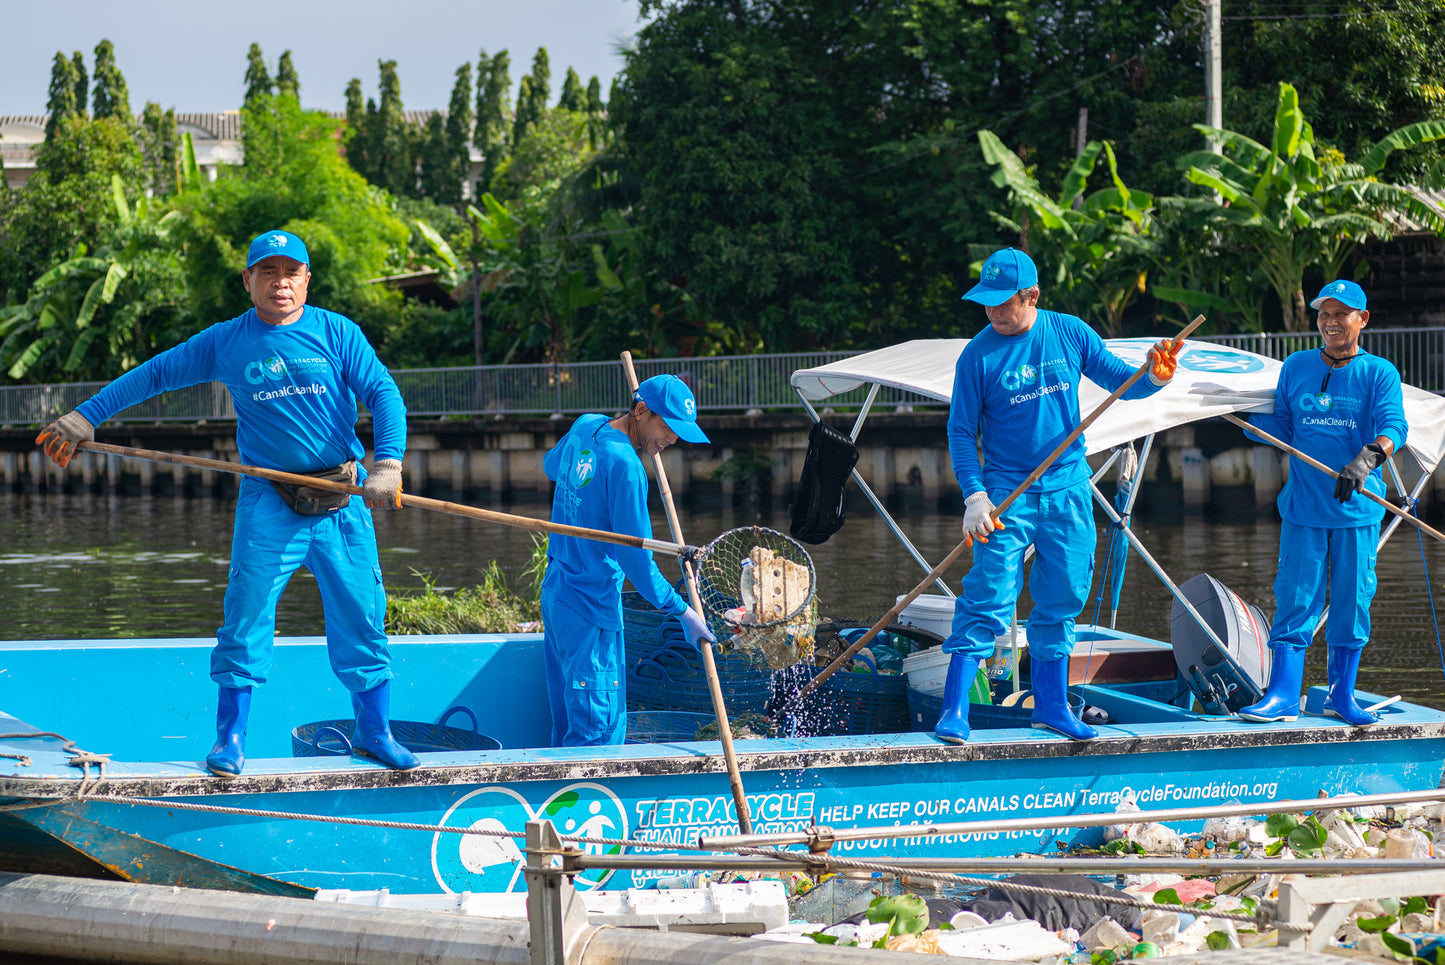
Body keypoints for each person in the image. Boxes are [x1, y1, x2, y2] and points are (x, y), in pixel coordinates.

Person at [35, 229, 420, 776]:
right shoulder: (227, 340)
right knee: (246, 617)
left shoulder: (338, 332)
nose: (280, 283)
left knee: (363, 618)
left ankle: (374, 732)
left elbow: (383, 393)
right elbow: (157, 373)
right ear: (248, 281)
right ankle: (231, 739)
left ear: (306, 280)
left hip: (343, 498)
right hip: (270, 499)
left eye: (291, 273)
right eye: (268, 272)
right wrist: (86, 416)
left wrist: (388, 464)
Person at [937, 247, 1180, 744]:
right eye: (986, 303)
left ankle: (1050, 706)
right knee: (988, 594)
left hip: (1067, 487)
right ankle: (954, 708)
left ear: (1033, 296)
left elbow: (1124, 384)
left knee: (1064, 595)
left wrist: (1155, 375)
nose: (993, 313)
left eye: (1004, 303)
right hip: (1006, 492)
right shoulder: (976, 356)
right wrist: (975, 496)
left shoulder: (1069, 331)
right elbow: (961, 433)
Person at [1238, 280, 1407, 726]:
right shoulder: (1295, 366)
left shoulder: (1379, 373)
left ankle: (1341, 697)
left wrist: (1367, 458)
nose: (1330, 322)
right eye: (1323, 314)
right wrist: (1239, 416)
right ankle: (1281, 697)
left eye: (1341, 314)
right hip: (1303, 510)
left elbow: (1396, 426)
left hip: (1356, 511)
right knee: (1294, 600)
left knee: (1352, 605)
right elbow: (1284, 426)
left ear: (1362, 319)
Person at [541, 374, 716, 746]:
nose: (672, 440)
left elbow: (551, 468)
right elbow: (637, 563)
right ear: (641, 411)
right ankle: (584, 804)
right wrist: (682, 611)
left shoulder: (585, 425)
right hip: (591, 608)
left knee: (567, 721)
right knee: (596, 732)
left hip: (557, 594)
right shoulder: (627, 469)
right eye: (668, 428)